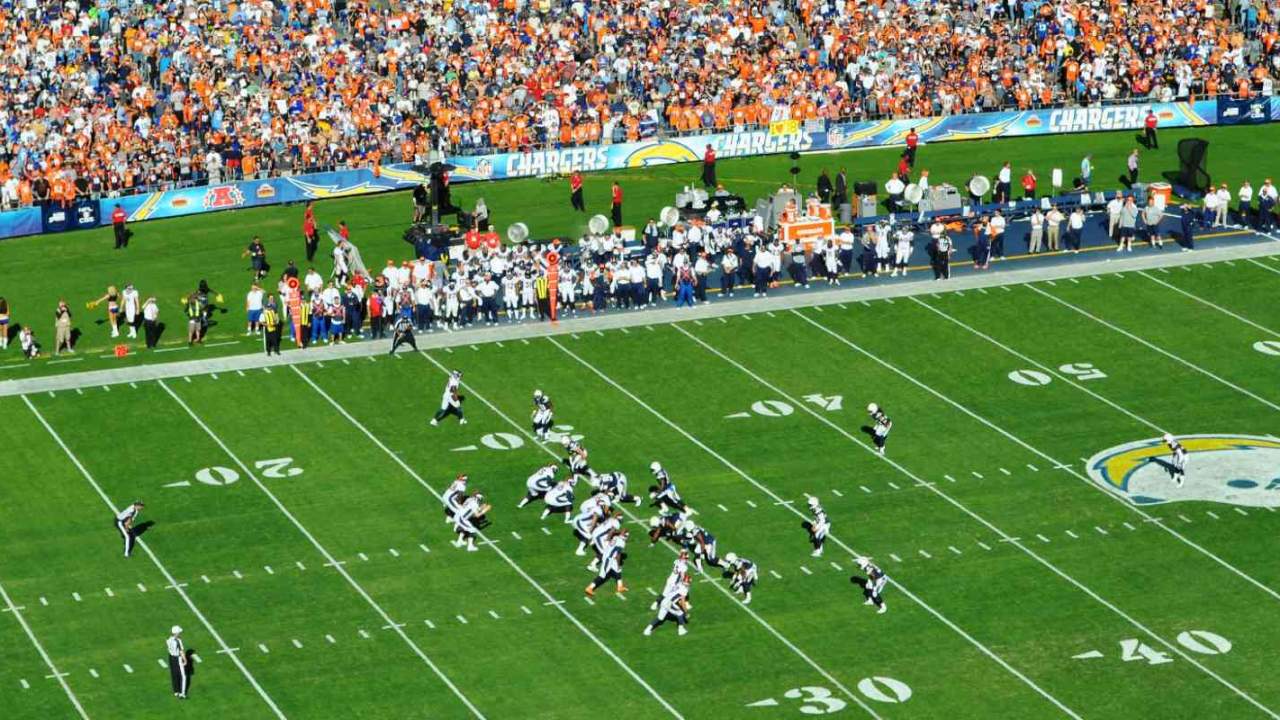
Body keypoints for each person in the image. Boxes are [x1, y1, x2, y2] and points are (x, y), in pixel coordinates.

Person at [166, 626, 189, 699]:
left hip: (171, 658)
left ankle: (176, 691)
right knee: (183, 676)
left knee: (174, 674)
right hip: (177, 658)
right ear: (176, 633)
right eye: (179, 632)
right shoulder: (178, 641)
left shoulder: (169, 639)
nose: (180, 633)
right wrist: (185, 660)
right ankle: (182, 693)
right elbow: (181, 651)